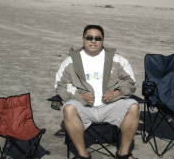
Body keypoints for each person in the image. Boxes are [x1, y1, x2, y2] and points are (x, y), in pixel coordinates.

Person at [55, 25, 139, 159]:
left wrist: (117, 92)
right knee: (69, 108)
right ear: (83, 39)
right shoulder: (70, 61)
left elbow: (131, 82)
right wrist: (79, 96)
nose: (93, 41)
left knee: (133, 106)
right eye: (89, 37)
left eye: (97, 38)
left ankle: (123, 154)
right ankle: (83, 155)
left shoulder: (117, 59)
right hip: (84, 108)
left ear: (102, 40)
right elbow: (60, 86)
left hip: (110, 106)